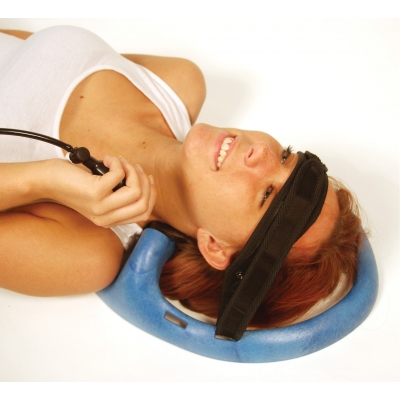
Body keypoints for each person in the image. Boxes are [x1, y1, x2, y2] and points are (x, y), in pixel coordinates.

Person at [0, 26, 362, 330]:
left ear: (215, 246)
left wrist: (43, 180)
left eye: (267, 195)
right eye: (286, 156)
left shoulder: (88, 254)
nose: (262, 152)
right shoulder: (177, 82)